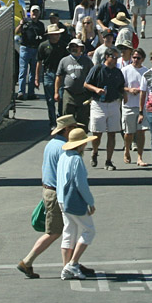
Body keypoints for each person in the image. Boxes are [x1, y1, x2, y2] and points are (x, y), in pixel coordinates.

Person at [18, 115, 82, 280]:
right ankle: (28, 260)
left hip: (49, 189)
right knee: (54, 231)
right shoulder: (65, 148)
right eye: (73, 127)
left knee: (69, 228)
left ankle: (72, 263)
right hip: (58, 192)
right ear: (66, 129)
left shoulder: (51, 144)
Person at [57, 127, 98, 280]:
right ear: (80, 145)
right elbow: (81, 184)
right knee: (89, 231)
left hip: (62, 199)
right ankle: (72, 264)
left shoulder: (64, 156)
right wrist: (90, 202)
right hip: (72, 200)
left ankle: (66, 268)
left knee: (69, 232)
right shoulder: (76, 159)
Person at [83, 47, 125, 170]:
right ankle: (95, 152)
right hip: (98, 104)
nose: (115, 59)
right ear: (107, 57)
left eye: (117, 57)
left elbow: (121, 86)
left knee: (112, 133)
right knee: (97, 133)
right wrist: (96, 89)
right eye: (114, 57)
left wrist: (124, 94)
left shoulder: (118, 72)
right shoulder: (97, 69)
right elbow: (86, 84)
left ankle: (108, 160)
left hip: (113, 104)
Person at [56, 39, 95, 127]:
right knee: (67, 120)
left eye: (76, 46)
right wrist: (56, 92)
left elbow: (93, 77)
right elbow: (59, 77)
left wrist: (92, 93)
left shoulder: (87, 61)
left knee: (83, 120)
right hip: (68, 93)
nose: (74, 48)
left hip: (83, 94)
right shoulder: (64, 60)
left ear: (81, 48)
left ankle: (81, 138)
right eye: (72, 47)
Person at [37, 23, 70, 127]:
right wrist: (37, 78)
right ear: (50, 35)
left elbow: (67, 61)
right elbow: (39, 62)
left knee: (60, 97)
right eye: (54, 34)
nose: (57, 36)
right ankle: (52, 122)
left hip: (61, 75)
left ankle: (60, 120)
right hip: (48, 73)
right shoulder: (43, 46)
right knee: (50, 100)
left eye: (57, 34)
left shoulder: (64, 46)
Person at [121, 49, 149, 167]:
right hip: (128, 106)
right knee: (129, 133)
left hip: (142, 106)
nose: (135, 60)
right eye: (134, 57)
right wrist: (129, 90)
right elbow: (120, 86)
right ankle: (127, 150)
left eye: (138, 58)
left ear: (142, 59)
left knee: (141, 132)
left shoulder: (146, 72)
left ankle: (139, 157)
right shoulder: (125, 70)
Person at [16, 6, 46, 100]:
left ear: (39, 13)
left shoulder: (41, 25)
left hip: (36, 49)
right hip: (25, 48)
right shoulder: (25, 23)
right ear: (30, 12)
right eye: (33, 12)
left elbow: (43, 37)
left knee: (33, 72)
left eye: (37, 12)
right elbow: (16, 32)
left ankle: (31, 93)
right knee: (23, 71)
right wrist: (21, 25)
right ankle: (21, 92)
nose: (35, 14)